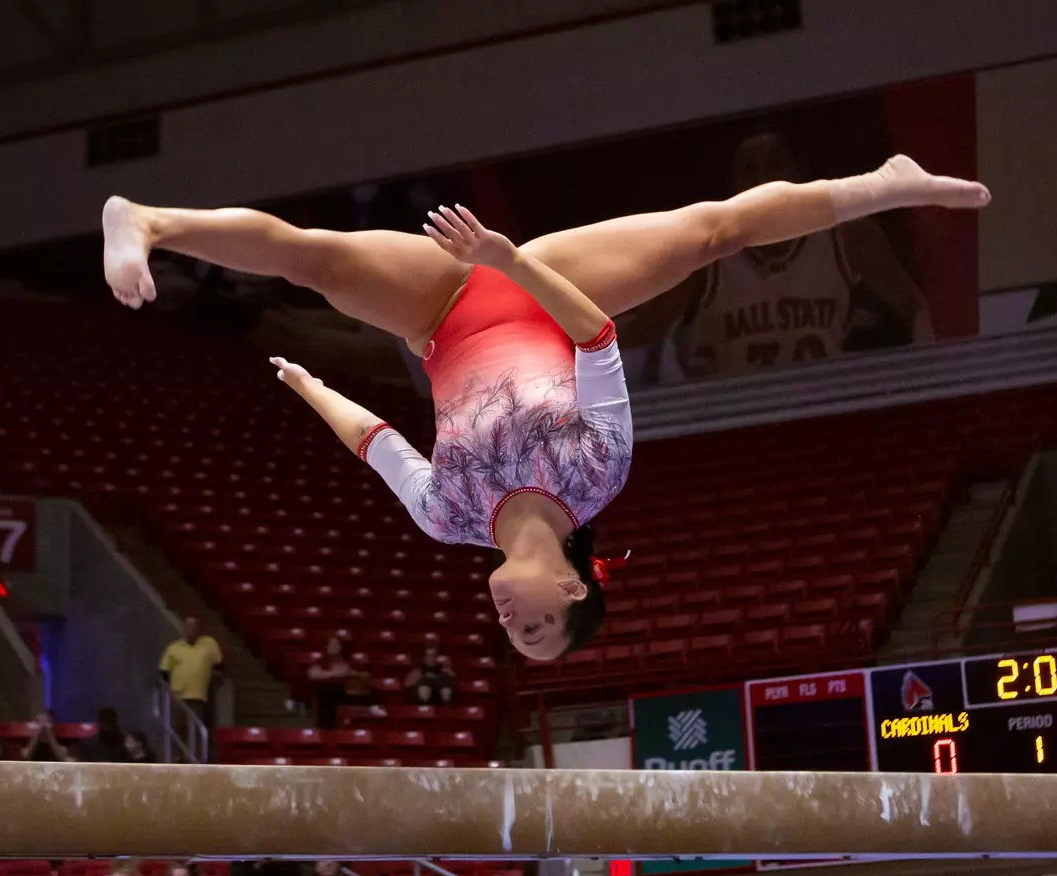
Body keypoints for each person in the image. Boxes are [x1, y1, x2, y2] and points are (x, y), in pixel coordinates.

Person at [103, 159, 987, 661]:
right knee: (714, 231)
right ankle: (885, 183)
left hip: (440, 312)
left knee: (316, 262)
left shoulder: (449, 518)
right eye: (533, 626)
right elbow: (597, 336)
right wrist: (508, 260)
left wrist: (308, 387)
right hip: (546, 284)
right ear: (571, 588)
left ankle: (151, 220)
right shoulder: (597, 474)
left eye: (515, 635)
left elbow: (376, 442)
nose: (508, 623)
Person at [631, 131, 936, 384]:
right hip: (734, 416)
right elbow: (643, 331)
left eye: (775, 165)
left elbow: (916, 307)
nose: (762, 180)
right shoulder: (707, 253)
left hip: (822, 404)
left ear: (797, 174)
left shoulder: (846, 237)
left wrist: (929, 379)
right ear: (734, 185)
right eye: (748, 170)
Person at [159, 615, 225, 734]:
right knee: (176, 729)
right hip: (179, 697)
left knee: (196, 731)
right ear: (184, 628)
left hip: (199, 697)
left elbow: (219, 666)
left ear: (199, 628)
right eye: (188, 626)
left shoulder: (209, 644)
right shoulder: (174, 647)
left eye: (194, 626)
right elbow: (164, 672)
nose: (191, 630)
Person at [307, 634, 353, 728]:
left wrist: (328, 676)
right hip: (324, 693)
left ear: (341, 647)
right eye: (331, 645)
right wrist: (333, 676)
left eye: (336, 645)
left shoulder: (345, 662)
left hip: (342, 693)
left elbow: (346, 673)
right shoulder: (320, 661)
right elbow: (313, 674)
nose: (333, 647)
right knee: (326, 690)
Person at [404, 641, 458, 705]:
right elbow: (407, 685)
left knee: (446, 691)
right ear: (424, 658)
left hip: (440, 701)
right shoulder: (418, 671)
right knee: (424, 689)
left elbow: (453, 682)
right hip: (423, 701)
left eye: (434, 656)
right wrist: (418, 678)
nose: (431, 659)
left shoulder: (445, 671)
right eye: (428, 656)